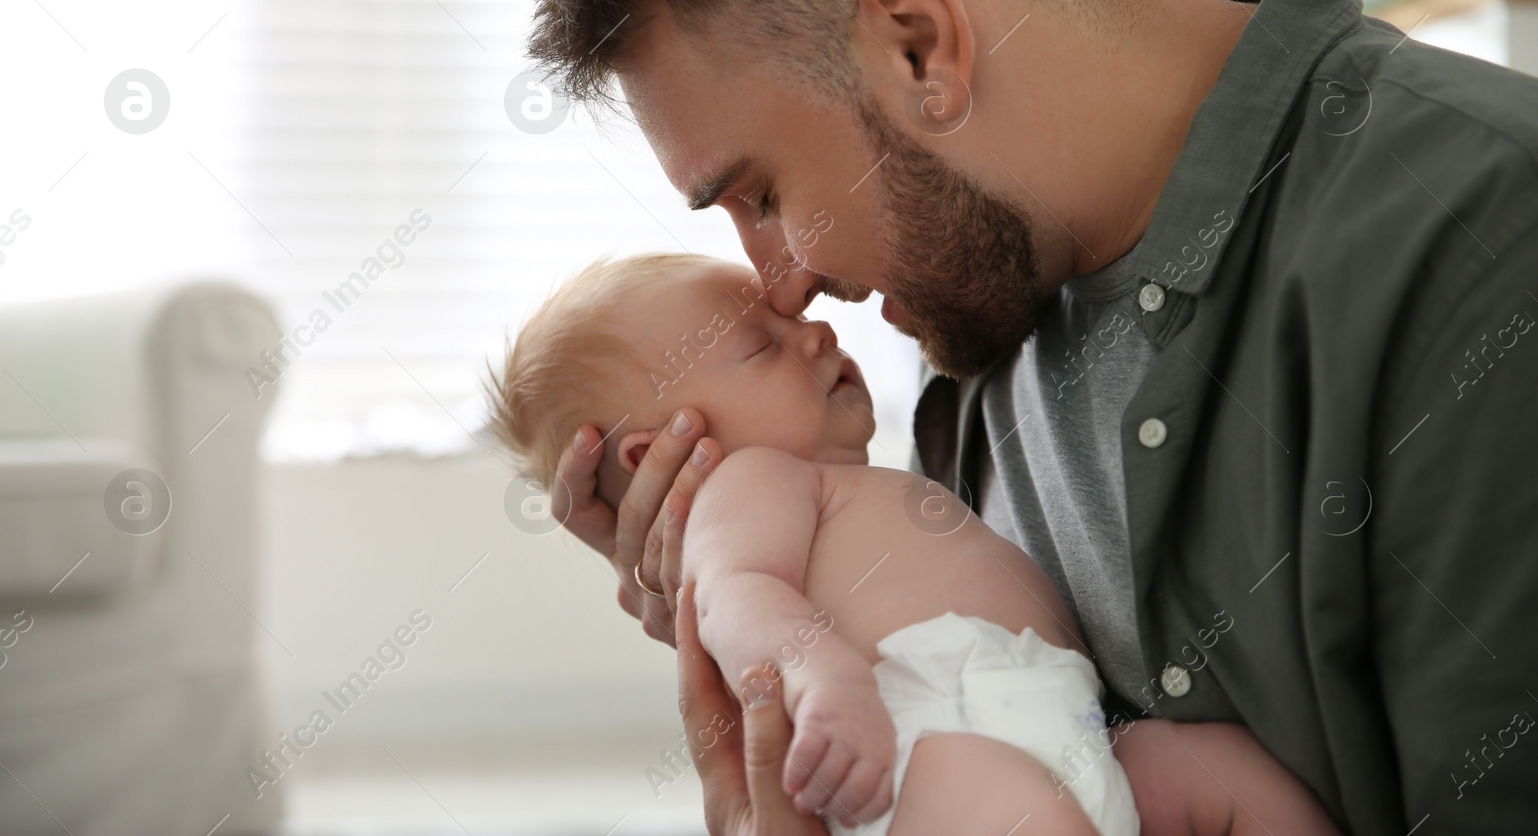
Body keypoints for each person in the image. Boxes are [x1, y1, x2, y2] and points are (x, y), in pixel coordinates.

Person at [527, 0, 1538, 831]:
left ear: (918, 38)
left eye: (763, 194)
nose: (782, 285)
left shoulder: (1483, 232)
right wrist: (768, 614)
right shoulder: (976, 309)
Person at [485, 252, 1340, 835]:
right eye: (758, 345)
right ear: (657, 449)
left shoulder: (854, 485)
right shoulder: (745, 483)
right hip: (920, 744)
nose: (812, 330)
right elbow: (740, 595)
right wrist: (823, 674)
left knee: (1219, 770)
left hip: (1064, 728)